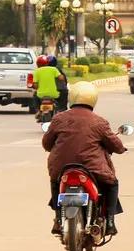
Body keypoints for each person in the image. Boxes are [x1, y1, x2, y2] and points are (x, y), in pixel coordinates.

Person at [42, 81, 126, 235]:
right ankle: (110, 222)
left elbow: (47, 143)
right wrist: (120, 149)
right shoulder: (99, 122)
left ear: (71, 98)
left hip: (61, 167)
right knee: (112, 183)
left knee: (55, 182)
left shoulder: (59, 118)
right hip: (92, 167)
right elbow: (115, 145)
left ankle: (57, 218)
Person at [32, 56, 64, 120]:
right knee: (61, 97)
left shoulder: (36, 71)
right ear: (47, 63)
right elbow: (61, 78)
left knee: (35, 96)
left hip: (41, 95)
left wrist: (37, 87)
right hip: (53, 94)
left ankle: (38, 110)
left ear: (37, 64)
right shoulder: (53, 69)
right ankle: (59, 111)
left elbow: (35, 85)